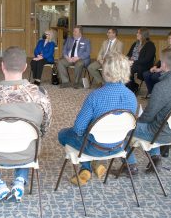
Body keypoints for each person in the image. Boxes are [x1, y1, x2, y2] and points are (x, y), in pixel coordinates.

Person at [0, 46, 52, 202]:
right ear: (25, 67)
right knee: (33, 138)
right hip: (28, 153)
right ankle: (20, 181)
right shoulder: (41, 95)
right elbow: (45, 128)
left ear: (2, 66)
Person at [58, 53, 137, 186]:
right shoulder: (132, 97)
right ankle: (95, 164)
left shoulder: (95, 96)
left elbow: (78, 128)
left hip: (95, 147)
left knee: (63, 135)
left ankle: (86, 167)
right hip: (119, 146)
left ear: (106, 72)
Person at [120, 48, 171, 175]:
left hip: (161, 133)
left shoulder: (162, 86)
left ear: (163, 64)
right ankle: (155, 159)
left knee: (120, 127)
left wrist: (135, 123)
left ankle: (130, 165)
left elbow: (148, 115)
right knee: (157, 119)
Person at [142, 31, 171, 97]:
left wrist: (160, 69)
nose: (170, 40)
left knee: (155, 76)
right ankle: (152, 92)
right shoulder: (167, 48)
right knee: (146, 74)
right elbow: (161, 60)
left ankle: (158, 92)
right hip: (162, 68)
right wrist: (155, 66)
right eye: (169, 38)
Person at [125, 28, 156, 94]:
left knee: (128, 69)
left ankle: (130, 88)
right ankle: (133, 86)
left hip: (144, 66)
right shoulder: (135, 43)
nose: (137, 34)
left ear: (143, 34)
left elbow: (146, 59)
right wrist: (126, 60)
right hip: (132, 63)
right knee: (121, 67)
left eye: (138, 33)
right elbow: (128, 54)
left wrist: (133, 62)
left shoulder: (150, 45)